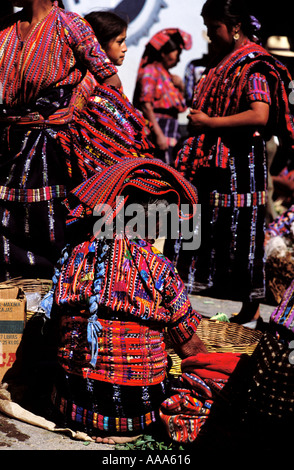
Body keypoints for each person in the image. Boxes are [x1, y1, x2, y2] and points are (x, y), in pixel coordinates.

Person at [36, 158, 208, 445]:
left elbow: (57, 325)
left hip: (70, 403)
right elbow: (189, 346)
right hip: (136, 412)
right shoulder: (158, 267)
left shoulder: (74, 255)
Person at [171, 0, 294, 327]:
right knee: (208, 227)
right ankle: (200, 298)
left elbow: (260, 113)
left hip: (240, 165)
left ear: (235, 27)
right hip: (218, 163)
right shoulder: (224, 61)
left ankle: (251, 307)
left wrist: (210, 123)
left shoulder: (252, 65)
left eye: (214, 28)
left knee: (241, 233)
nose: (210, 36)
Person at [0, 0, 121, 282]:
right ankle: (11, 313)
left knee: (45, 229)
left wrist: (82, 121)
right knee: (7, 228)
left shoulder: (71, 25)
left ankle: (49, 309)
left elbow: (110, 81)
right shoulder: (5, 28)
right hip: (8, 144)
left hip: (50, 148)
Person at [61, 9, 154, 182]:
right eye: (120, 42)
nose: (125, 49)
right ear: (99, 45)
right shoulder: (88, 82)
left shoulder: (105, 80)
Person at [133, 28, 192, 165]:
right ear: (163, 54)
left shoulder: (167, 75)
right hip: (158, 127)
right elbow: (146, 105)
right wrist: (159, 135)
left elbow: (179, 104)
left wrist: (181, 87)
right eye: (174, 56)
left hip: (171, 128)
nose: (177, 61)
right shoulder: (150, 72)